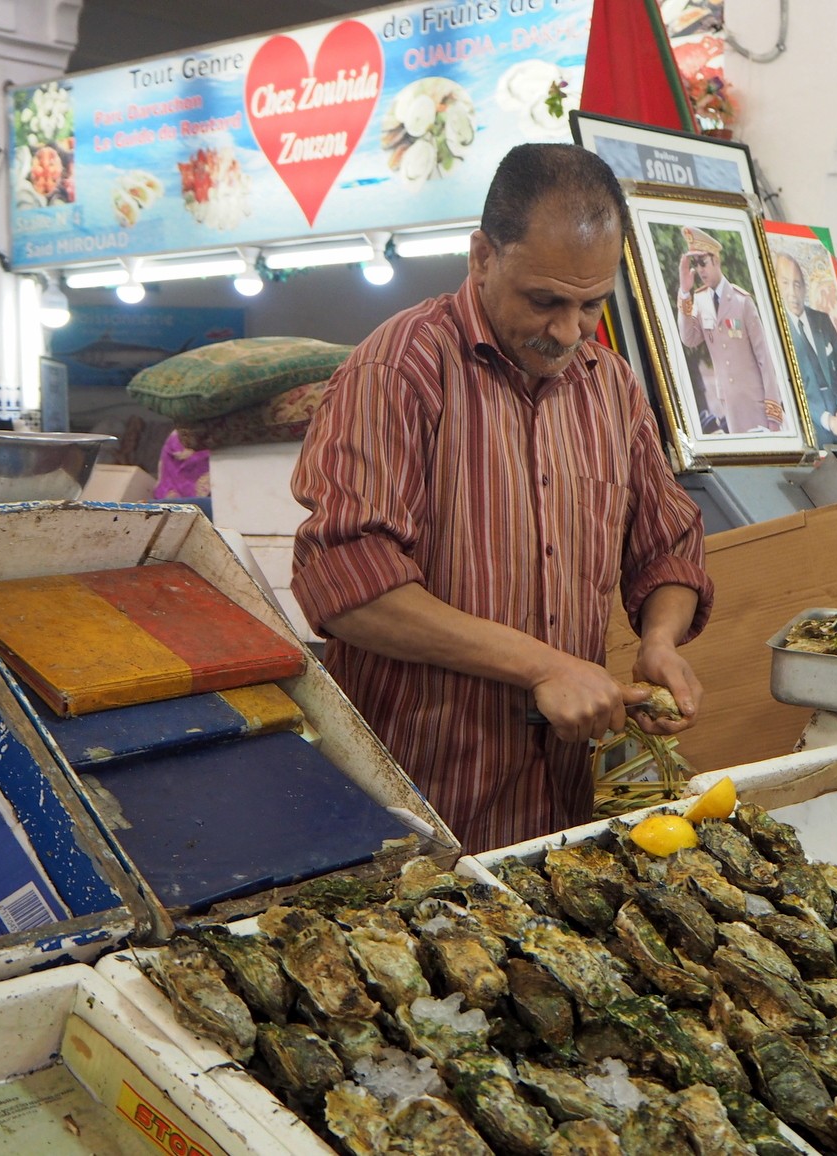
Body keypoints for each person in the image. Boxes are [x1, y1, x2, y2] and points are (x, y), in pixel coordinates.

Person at [291, 144, 714, 853]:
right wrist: (543, 665)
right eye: (544, 301)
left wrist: (659, 641)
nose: (568, 332)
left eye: (591, 305)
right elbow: (347, 586)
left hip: (556, 807)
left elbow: (667, 546)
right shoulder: (398, 370)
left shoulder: (610, 386)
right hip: (417, 807)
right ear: (482, 257)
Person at [675, 226, 783, 434]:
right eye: (695, 264)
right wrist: (685, 292)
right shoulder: (700, 300)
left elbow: (764, 358)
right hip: (729, 404)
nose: (700, 270)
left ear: (716, 260)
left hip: (756, 401)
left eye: (703, 262)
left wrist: (773, 415)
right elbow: (689, 338)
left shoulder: (742, 301)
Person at [772, 251, 837, 445]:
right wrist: (829, 421)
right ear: (776, 286)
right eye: (785, 283)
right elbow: (786, 393)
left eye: (797, 284)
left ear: (805, 289)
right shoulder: (774, 329)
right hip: (813, 430)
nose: (792, 292)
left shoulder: (822, 320)